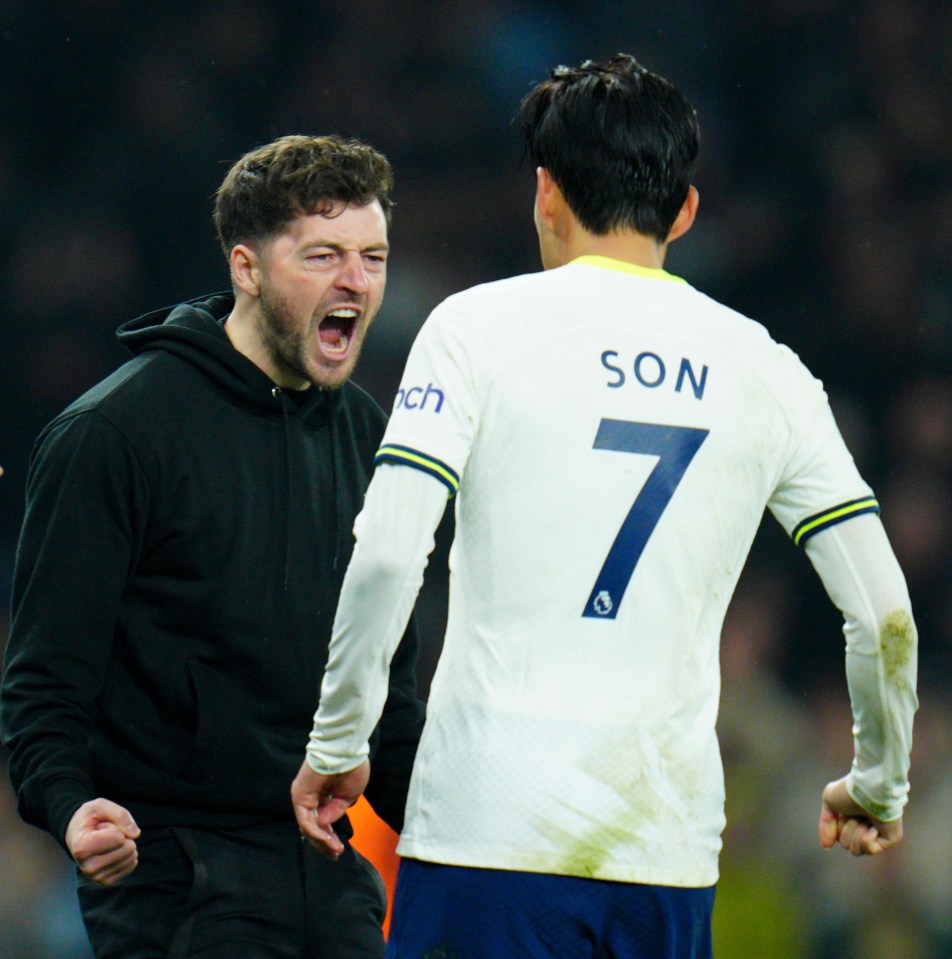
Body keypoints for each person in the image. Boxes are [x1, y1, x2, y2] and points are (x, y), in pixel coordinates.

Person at [291, 55, 918, 959]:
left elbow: (391, 552)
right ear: (686, 209)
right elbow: (885, 612)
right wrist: (879, 781)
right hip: (661, 851)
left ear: (544, 192)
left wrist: (341, 738)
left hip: (485, 834)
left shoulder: (476, 329)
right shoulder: (766, 369)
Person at [0, 134, 425, 959]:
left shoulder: (378, 439)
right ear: (246, 267)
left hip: (333, 877)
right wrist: (68, 804)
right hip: (178, 884)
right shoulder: (114, 435)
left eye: (373, 256)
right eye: (323, 255)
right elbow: (43, 681)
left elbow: (389, 699)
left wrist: (476, 836)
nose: (356, 281)